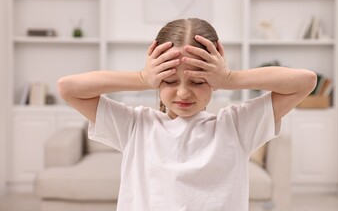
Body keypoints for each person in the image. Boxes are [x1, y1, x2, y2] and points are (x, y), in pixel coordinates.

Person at [57, 18, 317, 211]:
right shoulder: (135, 126)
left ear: (213, 81)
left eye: (198, 82)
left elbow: (305, 81)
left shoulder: (236, 126)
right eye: (169, 81)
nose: (183, 93)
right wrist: (141, 77)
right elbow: (67, 88)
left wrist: (229, 78)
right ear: (157, 80)